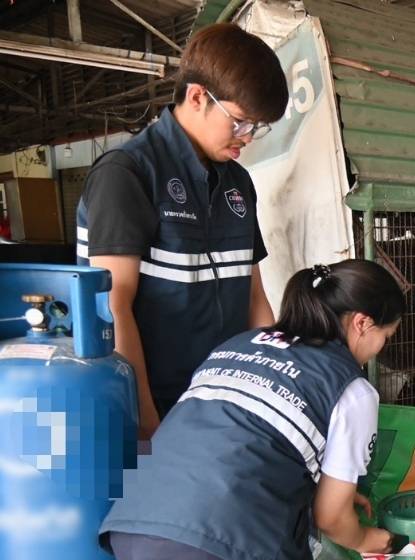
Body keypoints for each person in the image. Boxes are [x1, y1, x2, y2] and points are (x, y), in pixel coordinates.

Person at [100, 259, 406, 560]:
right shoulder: (352, 390)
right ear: (362, 323)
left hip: (134, 529)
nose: (380, 349)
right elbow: (331, 518)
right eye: (386, 336)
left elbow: (239, 442)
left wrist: (333, 491)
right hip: (216, 550)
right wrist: (366, 539)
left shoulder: (240, 344)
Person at [76, 23, 289, 439]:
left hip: (220, 403)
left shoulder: (237, 183)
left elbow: (253, 296)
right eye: (240, 123)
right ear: (197, 97)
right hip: (152, 406)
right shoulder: (128, 174)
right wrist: (145, 422)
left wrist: (270, 385)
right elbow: (112, 307)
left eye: (257, 127)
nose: (248, 138)